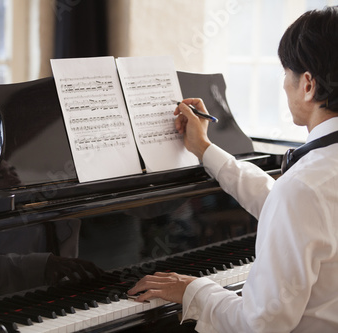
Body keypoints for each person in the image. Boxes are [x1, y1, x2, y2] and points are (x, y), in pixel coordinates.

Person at [128, 6, 338, 332]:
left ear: (308, 85)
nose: (284, 85)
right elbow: (297, 209)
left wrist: (193, 289)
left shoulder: (303, 188)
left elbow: (258, 325)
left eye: (286, 73)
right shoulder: (314, 181)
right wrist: (205, 150)